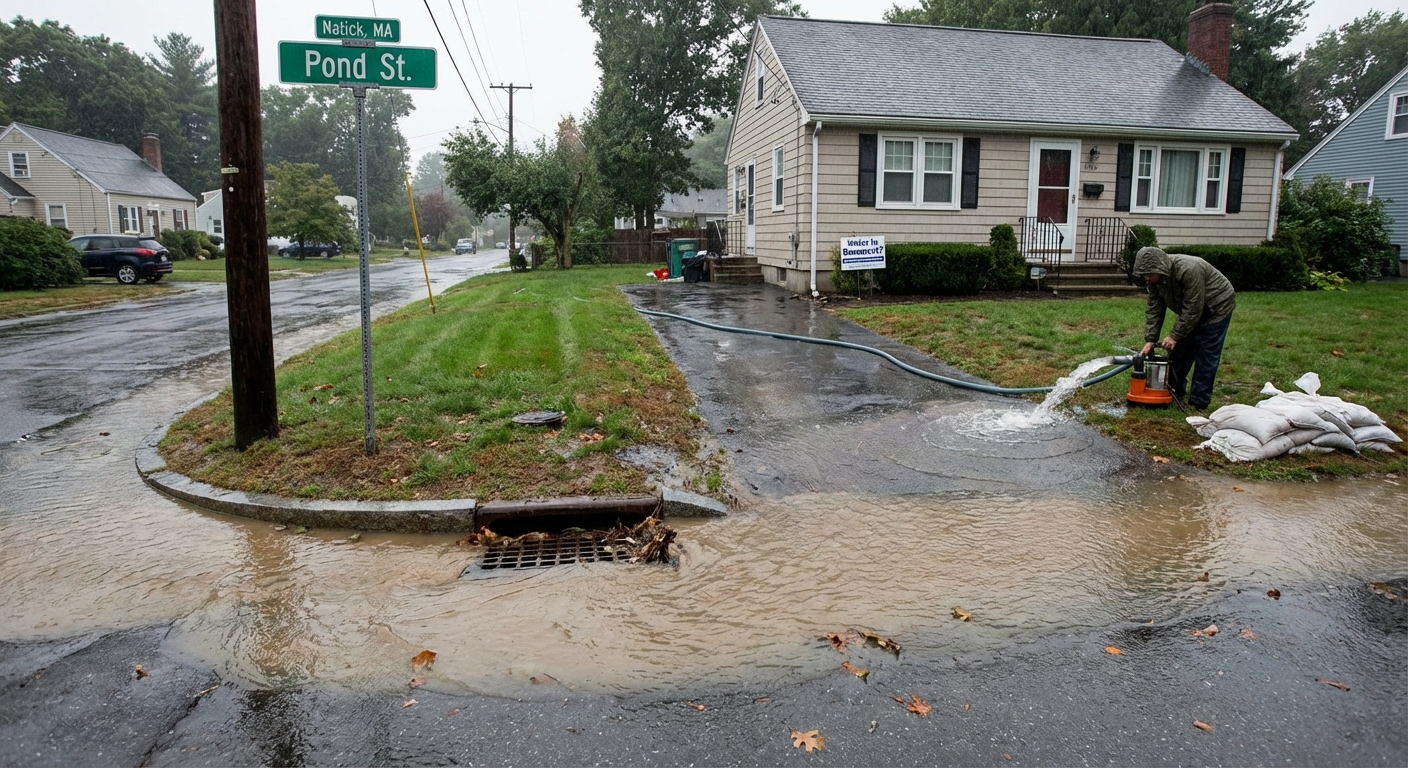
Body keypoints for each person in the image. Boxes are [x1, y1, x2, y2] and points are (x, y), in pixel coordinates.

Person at [1132, 246, 1236, 411]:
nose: (1147, 278)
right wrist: (1150, 340)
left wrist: (1174, 335)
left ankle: (1198, 402)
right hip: (1191, 309)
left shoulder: (1188, 269)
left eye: (1149, 274)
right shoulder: (1154, 279)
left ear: (1160, 268)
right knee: (1180, 352)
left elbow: (1193, 308)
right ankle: (1174, 390)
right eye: (1144, 275)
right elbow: (1154, 308)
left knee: (1206, 354)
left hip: (1217, 307)